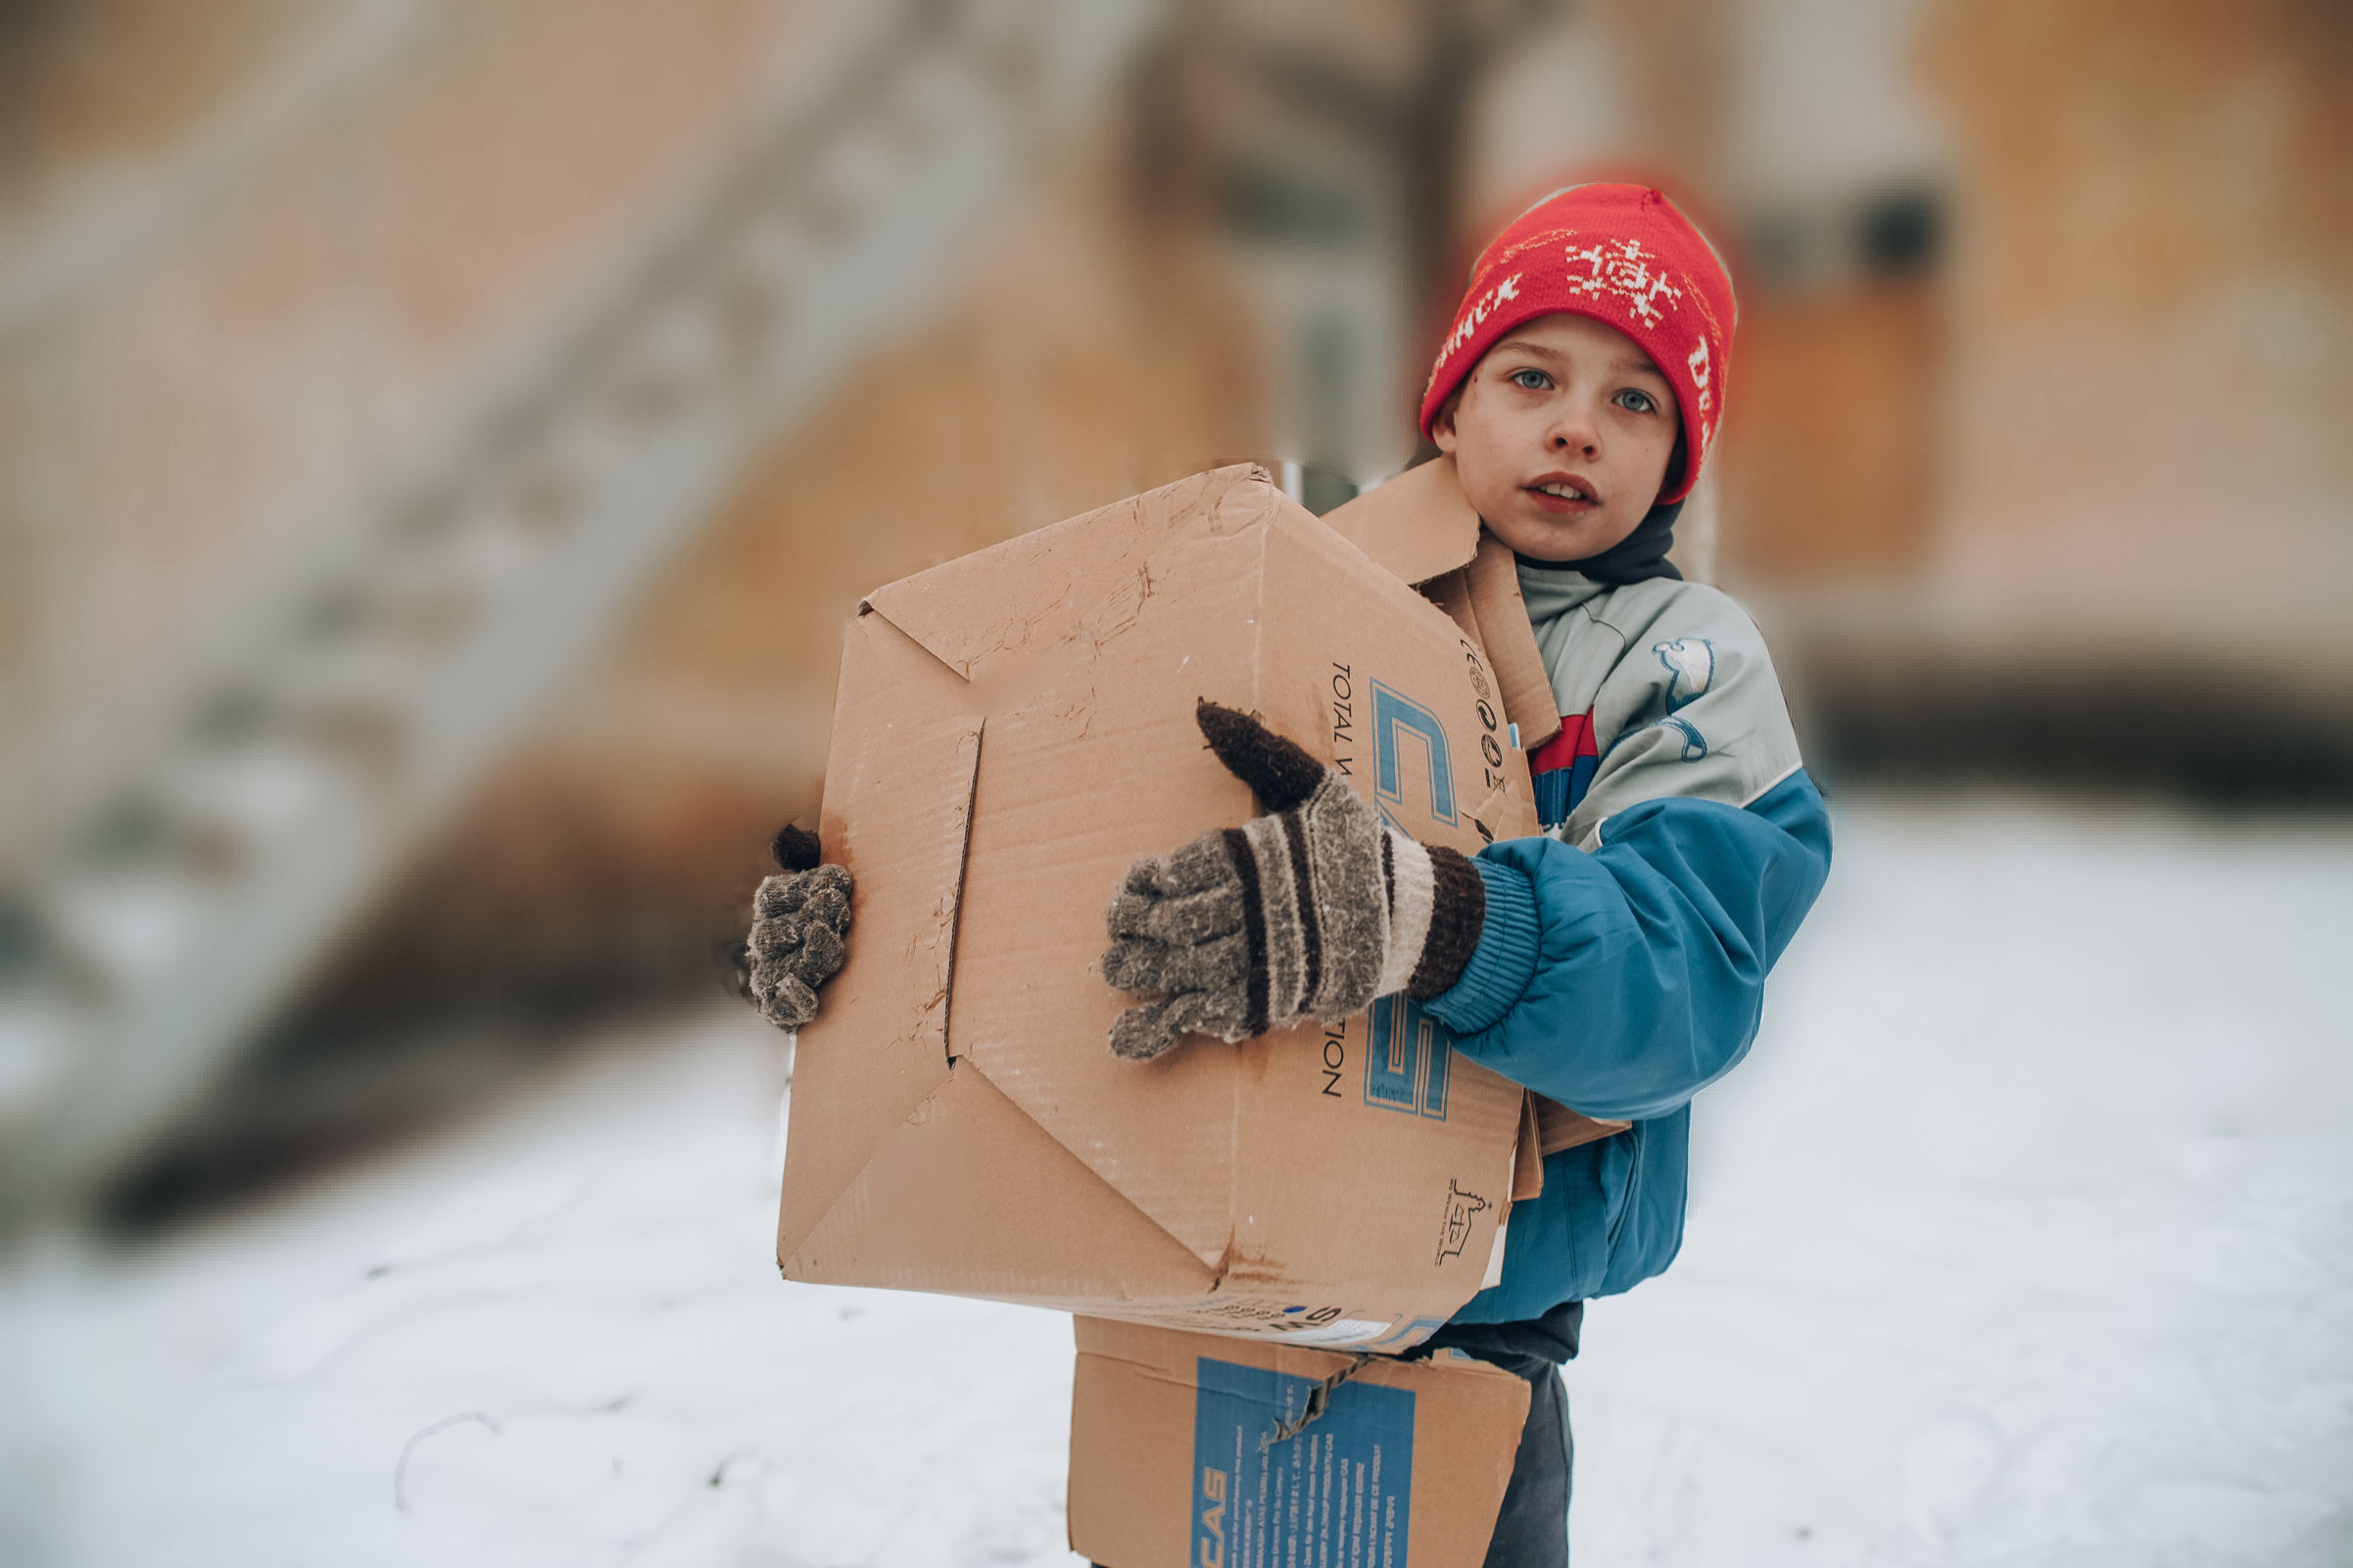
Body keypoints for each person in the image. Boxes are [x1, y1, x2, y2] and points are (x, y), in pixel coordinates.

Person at [747, 182, 1832, 1567]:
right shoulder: (1296, 594)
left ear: (1679, 458)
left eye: (1636, 401)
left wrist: (1435, 920)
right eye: (1533, 375)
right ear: (1447, 408)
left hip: (1471, 1328)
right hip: (1196, 1284)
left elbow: (1679, 982)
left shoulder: (1683, 666)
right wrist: (874, 945)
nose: (1575, 422)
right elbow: (1075, 846)